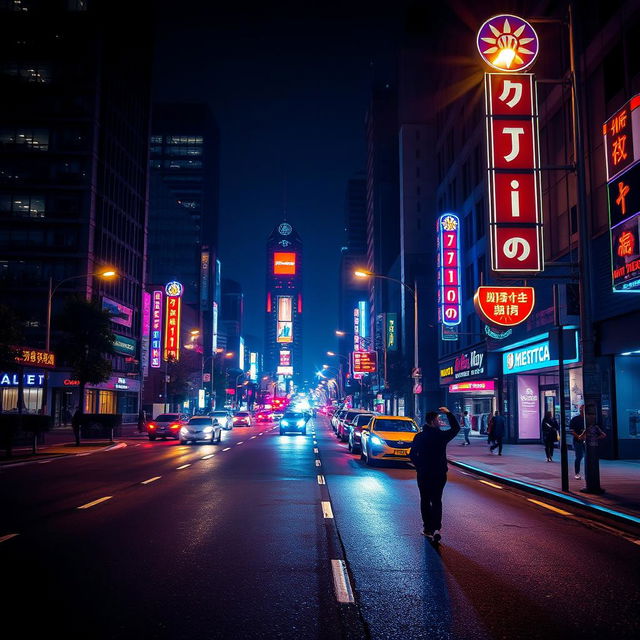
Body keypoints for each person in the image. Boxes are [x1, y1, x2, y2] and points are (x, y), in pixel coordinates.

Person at [409, 406, 460, 542]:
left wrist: (420, 467)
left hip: (424, 473)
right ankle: (436, 528)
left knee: (425, 500)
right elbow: (456, 428)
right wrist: (449, 414)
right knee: (437, 500)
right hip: (439, 473)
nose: (439, 422)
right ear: (432, 421)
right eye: (438, 419)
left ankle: (427, 528)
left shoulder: (419, 437)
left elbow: (412, 455)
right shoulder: (441, 436)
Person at [569, 406, 586, 479]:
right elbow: (572, 430)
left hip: (587, 441)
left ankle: (587, 472)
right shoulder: (575, 419)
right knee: (579, 456)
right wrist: (578, 436)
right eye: (581, 409)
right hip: (577, 441)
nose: (582, 411)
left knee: (588, 457)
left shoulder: (588, 419)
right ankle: (577, 473)